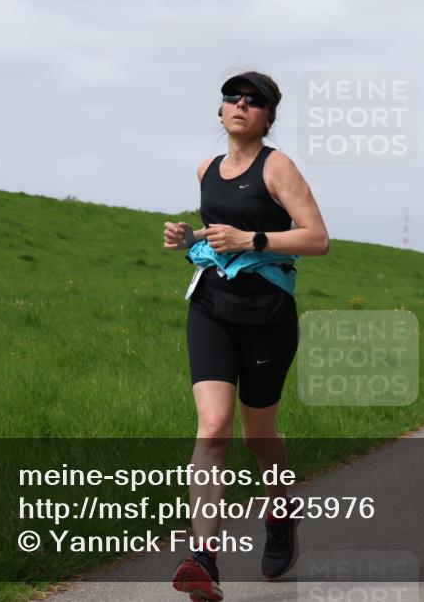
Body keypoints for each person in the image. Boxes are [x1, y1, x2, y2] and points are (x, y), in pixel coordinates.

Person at [165, 71, 330, 601]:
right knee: (213, 427)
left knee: (259, 434)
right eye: (232, 98)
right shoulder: (206, 169)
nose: (240, 104)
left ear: (267, 117)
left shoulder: (277, 166)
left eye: (254, 100)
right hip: (211, 305)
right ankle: (204, 561)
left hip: (267, 312)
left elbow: (317, 238)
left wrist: (252, 239)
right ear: (220, 113)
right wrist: (186, 237)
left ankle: (280, 516)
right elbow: (220, 232)